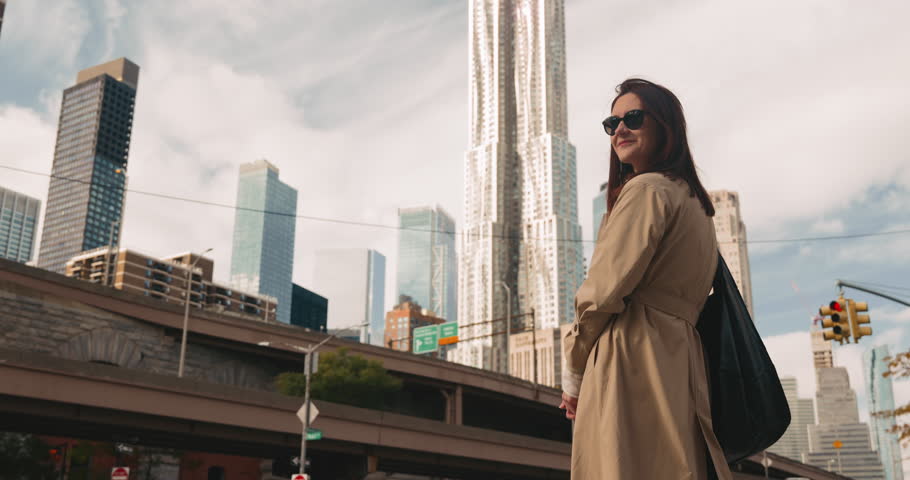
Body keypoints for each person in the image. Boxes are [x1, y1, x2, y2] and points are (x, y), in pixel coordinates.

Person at [559, 78, 732, 480]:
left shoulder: (645, 190)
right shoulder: (694, 205)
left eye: (633, 118)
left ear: (665, 125)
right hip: (682, 360)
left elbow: (600, 293)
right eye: (611, 122)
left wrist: (573, 373)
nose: (619, 130)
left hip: (631, 356)